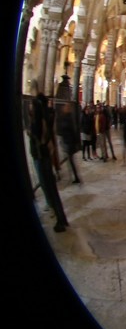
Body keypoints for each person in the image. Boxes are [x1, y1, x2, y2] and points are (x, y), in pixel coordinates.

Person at [28, 90, 70, 232]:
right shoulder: (46, 118)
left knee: (50, 189)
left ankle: (60, 219)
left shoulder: (38, 123)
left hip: (41, 158)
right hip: (45, 157)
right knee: (52, 189)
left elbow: (40, 140)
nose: (30, 108)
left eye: (32, 105)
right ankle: (61, 218)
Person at [54, 74, 80, 184]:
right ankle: (74, 177)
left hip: (68, 142)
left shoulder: (67, 118)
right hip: (68, 141)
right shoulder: (68, 117)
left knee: (70, 160)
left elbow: (69, 129)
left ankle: (74, 177)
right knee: (70, 160)